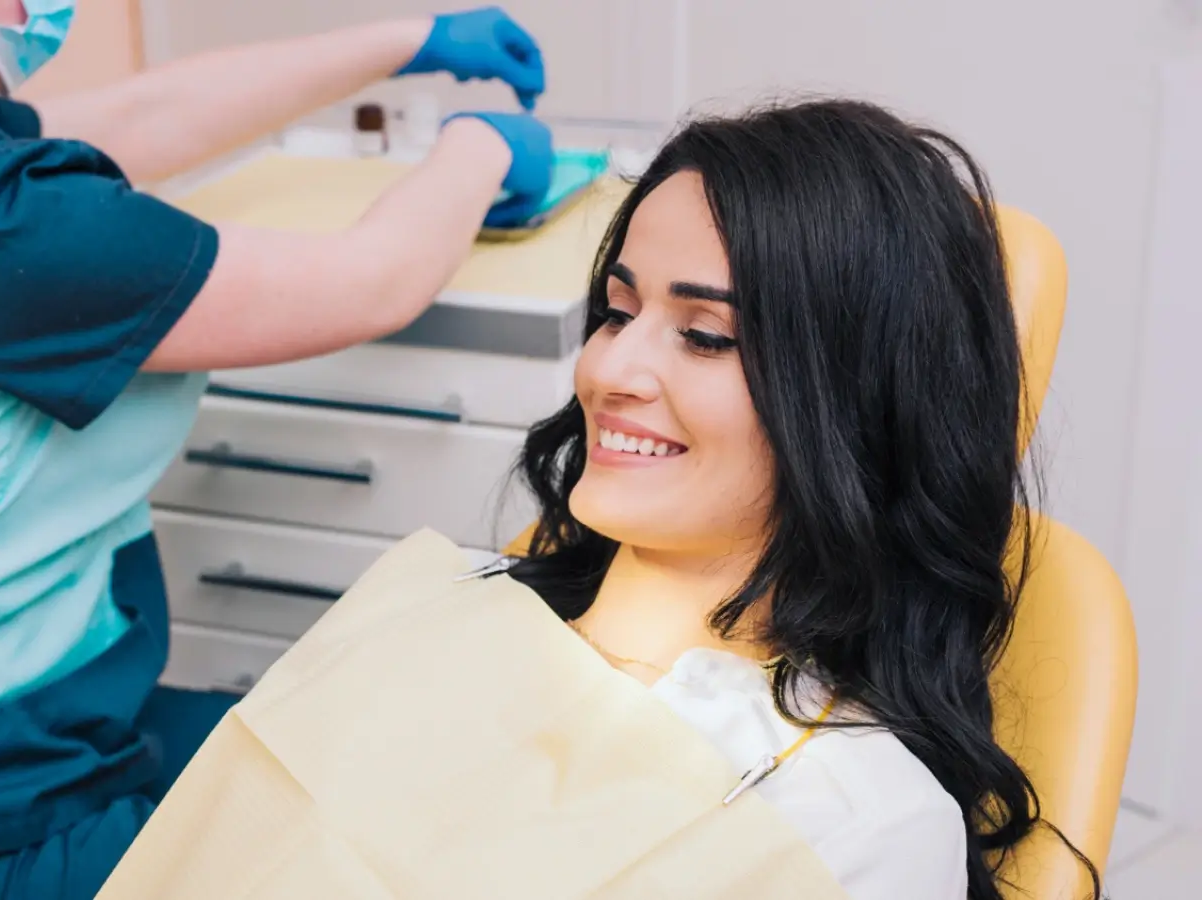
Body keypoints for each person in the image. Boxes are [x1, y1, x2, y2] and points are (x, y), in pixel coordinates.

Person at [94, 100, 1104, 900]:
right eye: (617, 310)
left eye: (705, 336)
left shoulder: (855, 820)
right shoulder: (447, 601)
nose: (611, 366)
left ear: (855, 403)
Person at [0, 1, 555, 897]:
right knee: (384, 835)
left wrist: (407, 42)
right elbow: (372, 280)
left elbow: (148, 118)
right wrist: (483, 149)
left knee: (341, 747)